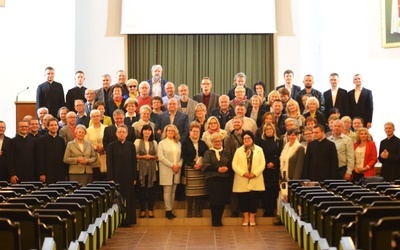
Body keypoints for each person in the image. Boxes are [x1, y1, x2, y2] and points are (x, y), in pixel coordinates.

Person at [232, 131, 265, 226]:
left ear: (252, 139)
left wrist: (254, 174)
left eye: (248, 138)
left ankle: (252, 217)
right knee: (243, 200)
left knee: (253, 200)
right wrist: (243, 173)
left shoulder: (259, 149)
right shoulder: (239, 150)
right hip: (242, 178)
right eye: (245, 138)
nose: (247, 140)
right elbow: (234, 164)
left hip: (255, 177)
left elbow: (262, 164)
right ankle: (246, 218)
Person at [107, 124, 137, 226]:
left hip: (129, 177)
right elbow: (109, 163)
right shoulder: (111, 146)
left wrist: (134, 177)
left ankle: (129, 220)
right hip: (116, 177)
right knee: (118, 199)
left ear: (127, 134)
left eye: (123, 132)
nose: (121, 134)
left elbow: (134, 162)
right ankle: (118, 221)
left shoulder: (131, 146)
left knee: (128, 199)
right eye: (119, 132)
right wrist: (110, 178)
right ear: (116, 133)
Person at [202, 133, 232, 227]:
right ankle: (214, 219)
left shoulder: (227, 152)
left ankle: (219, 219)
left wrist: (227, 168)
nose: (218, 143)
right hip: (213, 179)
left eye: (219, 141)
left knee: (222, 200)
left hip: (225, 179)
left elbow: (231, 163)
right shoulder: (208, 152)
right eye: (215, 141)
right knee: (214, 200)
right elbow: (206, 165)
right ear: (212, 142)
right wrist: (217, 169)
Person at [277, 128, 305, 224]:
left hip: (293, 177)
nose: (291, 137)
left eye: (293, 135)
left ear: (297, 136)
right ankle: (283, 217)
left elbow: (299, 165)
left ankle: (294, 220)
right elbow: (282, 162)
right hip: (284, 176)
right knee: (283, 197)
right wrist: (280, 177)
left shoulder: (299, 148)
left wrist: (294, 181)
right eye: (289, 135)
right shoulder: (286, 147)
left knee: (292, 198)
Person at [255, 122, 282, 217]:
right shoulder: (260, 142)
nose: (269, 131)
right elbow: (258, 154)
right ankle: (266, 210)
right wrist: (265, 163)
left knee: (273, 190)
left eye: (271, 129)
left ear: (274, 131)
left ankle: (272, 209)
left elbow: (280, 154)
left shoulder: (278, 141)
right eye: (267, 129)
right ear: (264, 131)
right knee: (265, 190)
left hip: (274, 169)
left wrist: (274, 163)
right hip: (264, 169)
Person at [181, 122, 208, 218]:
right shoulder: (185, 142)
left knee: (200, 191)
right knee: (190, 191)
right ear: (190, 132)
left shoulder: (203, 143)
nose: (195, 133)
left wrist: (201, 164)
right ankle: (189, 210)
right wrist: (193, 164)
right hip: (190, 168)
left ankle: (198, 210)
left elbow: (206, 155)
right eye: (194, 131)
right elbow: (184, 156)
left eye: (197, 131)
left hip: (200, 169)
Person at [157, 125, 183, 220]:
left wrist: (178, 165)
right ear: (166, 132)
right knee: (167, 191)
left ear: (175, 132)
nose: (170, 132)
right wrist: (172, 165)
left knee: (173, 191)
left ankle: (170, 209)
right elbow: (161, 157)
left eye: (172, 130)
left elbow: (181, 157)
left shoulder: (178, 143)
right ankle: (168, 210)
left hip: (176, 170)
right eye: (168, 130)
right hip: (167, 169)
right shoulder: (162, 143)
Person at [134, 125, 158, 218]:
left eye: (149, 130)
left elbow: (157, 156)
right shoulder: (137, 141)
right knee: (142, 189)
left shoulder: (155, 142)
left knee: (152, 190)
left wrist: (151, 157)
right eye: (145, 130)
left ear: (151, 132)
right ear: (142, 131)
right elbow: (134, 155)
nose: (147, 132)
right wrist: (144, 157)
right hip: (140, 168)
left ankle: (151, 210)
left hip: (152, 169)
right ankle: (143, 210)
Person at [37, 118, 68, 184]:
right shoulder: (42, 140)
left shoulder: (61, 140)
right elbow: (40, 158)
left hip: (60, 172)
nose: (54, 127)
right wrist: (42, 173)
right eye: (51, 125)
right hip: (47, 172)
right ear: (47, 127)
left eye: (55, 125)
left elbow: (64, 156)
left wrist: (65, 173)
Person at [85, 110, 107, 181]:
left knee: (105, 177)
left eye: (97, 116)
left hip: (105, 155)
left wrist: (103, 147)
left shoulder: (106, 128)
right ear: (91, 118)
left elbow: (109, 140)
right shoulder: (87, 130)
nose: (96, 118)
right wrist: (95, 148)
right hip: (94, 156)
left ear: (100, 117)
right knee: (96, 177)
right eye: (93, 116)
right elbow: (86, 142)